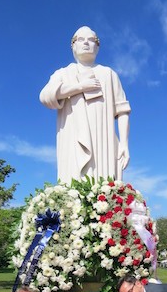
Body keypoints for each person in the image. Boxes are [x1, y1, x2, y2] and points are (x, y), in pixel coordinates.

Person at [39, 26, 131, 185]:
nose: (86, 43)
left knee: (104, 183)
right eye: (80, 40)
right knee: (73, 181)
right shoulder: (63, 74)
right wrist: (79, 87)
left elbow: (122, 110)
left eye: (91, 40)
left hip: (104, 140)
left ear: (98, 46)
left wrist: (124, 143)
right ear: (73, 46)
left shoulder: (108, 74)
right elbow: (45, 97)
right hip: (72, 136)